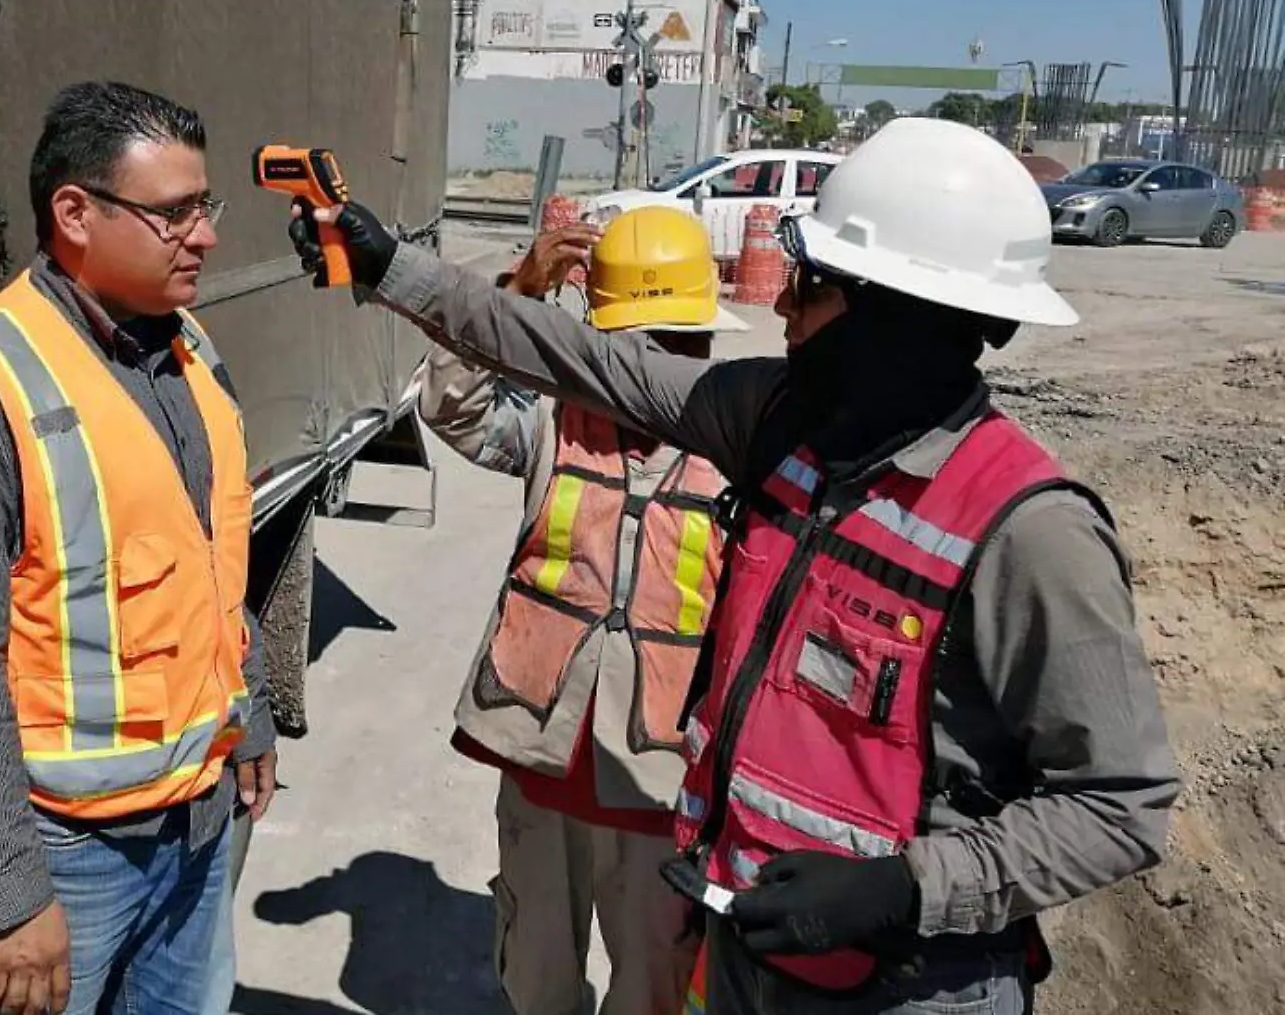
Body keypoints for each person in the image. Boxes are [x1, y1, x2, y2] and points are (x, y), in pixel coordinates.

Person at [284, 117, 1178, 1014]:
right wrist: (388, 266)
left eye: (813, 285)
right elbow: (574, 358)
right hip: (749, 945)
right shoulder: (778, 423)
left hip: (904, 983)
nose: (781, 308)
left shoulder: (1031, 533)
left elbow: (1118, 803)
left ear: (900, 313)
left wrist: (906, 888)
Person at [0, 79, 277, 1015]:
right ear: (75, 213)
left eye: (205, 206)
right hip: (70, 857)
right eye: (176, 212)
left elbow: (209, 563)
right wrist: (6, 893)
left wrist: (248, 707)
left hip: (199, 821)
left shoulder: (188, 350)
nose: (208, 235)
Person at [417, 207, 748, 1015]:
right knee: (537, 978)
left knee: (652, 986)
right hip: (543, 757)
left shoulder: (741, 450)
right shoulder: (553, 420)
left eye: (680, 343)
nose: (662, 366)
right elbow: (450, 406)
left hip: (661, 777)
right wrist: (515, 296)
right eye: (644, 346)